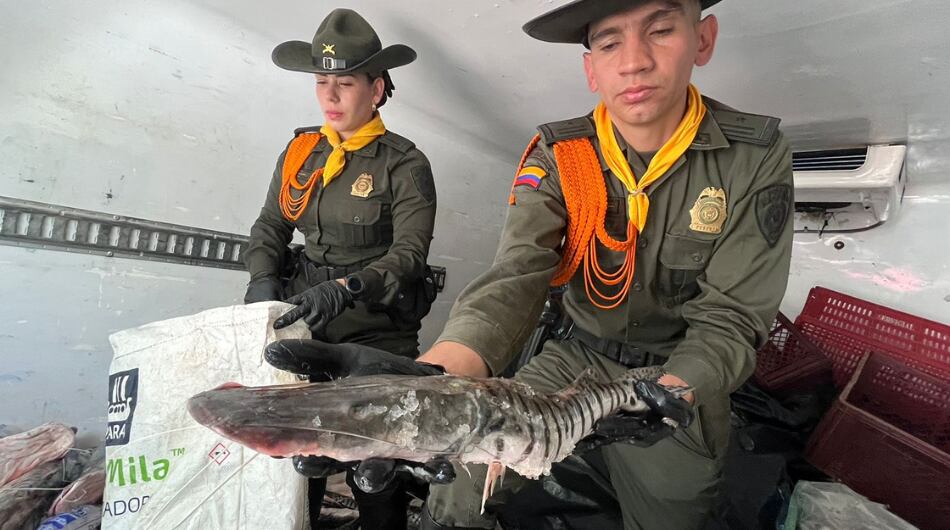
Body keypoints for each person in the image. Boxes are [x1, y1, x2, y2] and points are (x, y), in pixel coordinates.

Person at [266, 0, 794, 528]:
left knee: (675, 516)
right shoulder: (560, 155)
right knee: (459, 489)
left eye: (660, 31)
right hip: (577, 358)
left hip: (678, 370)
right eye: (609, 42)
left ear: (702, 40)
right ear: (591, 68)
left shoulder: (752, 157)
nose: (633, 61)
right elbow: (517, 275)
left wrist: (670, 392)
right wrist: (434, 379)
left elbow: (732, 317)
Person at [242, 8, 437, 529]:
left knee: (373, 466)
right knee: (296, 458)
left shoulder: (404, 164)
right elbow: (270, 225)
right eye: (322, 81)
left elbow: (409, 255)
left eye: (344, 83)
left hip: (376, 328)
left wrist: (347, 287)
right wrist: (263, 282)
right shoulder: (302, 150)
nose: (329, 96)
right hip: (305, 317)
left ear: (375, 89)